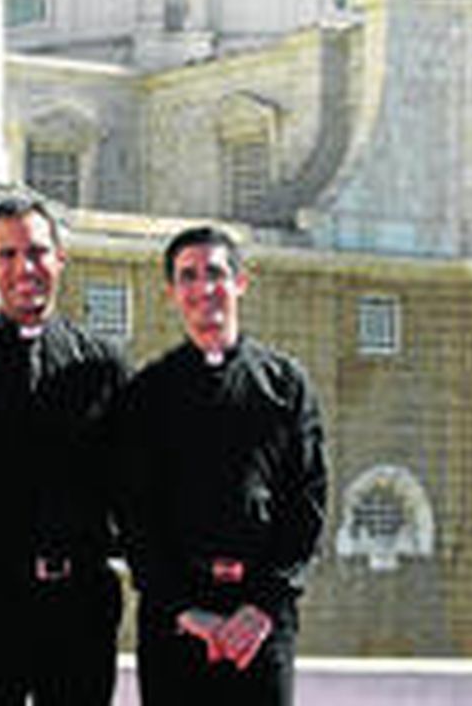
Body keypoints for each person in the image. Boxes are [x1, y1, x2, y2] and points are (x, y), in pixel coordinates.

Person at [0, 197, 130, 705]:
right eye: (8, 255)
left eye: (37, 253)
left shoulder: (105, 368)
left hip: (81, 604)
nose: (25, 269)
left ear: (61, 259)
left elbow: (133, 485)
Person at [112, 225, 327, 706]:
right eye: (188, 276)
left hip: (262, 621)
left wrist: (263, 606)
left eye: (216, 273)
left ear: (240, 283)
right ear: (171, 293)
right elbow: (134, 516)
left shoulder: (285, 384)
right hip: (177, 620)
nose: (203, 288)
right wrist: (188, 612)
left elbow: (307, 502)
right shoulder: (148, 393)